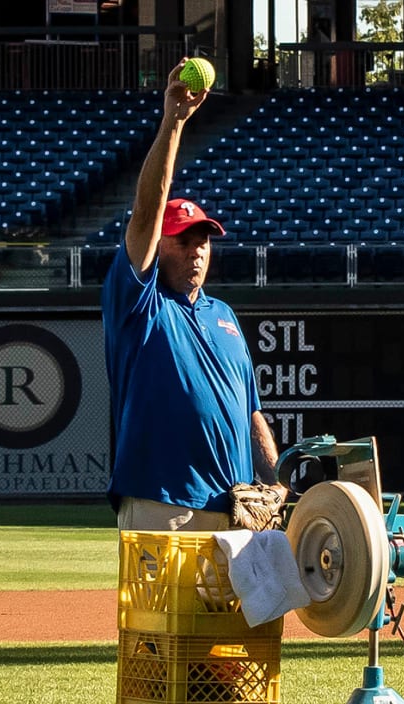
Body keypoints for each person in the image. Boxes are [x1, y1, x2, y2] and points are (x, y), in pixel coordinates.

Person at [105, 59, 280, 532]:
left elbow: (251, 413)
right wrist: (174, 121)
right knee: (166, 612)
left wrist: (279, 483)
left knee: (248, 611)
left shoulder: (223, 316)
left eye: (203, 239)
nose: (197, 249)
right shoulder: (139, 304)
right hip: (163, 503)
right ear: (159, 245)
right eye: (183, 239)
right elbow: (146, 212)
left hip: (239, 509)